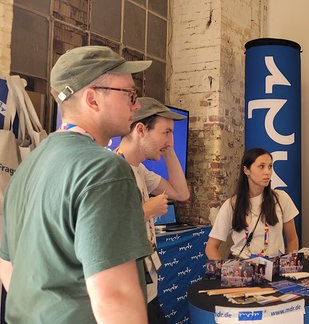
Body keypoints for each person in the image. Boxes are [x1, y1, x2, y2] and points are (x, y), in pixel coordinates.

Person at [0, 46, 152, 323]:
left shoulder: (24, 171)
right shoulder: (103, 169)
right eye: (130, 94)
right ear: (92, 99)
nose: (137, 105)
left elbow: (9, 270)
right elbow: (115, 299)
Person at [116, 97, 191, 323]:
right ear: (141, 130)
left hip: (147, 290)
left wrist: (166, 149)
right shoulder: (112, 170)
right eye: (165, 132)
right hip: (125, 296)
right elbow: (104, 230)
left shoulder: (140, 171)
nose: (170, 140)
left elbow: (181, 193)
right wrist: (145, 211)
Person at [205, 147, 299, 260]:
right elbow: (211, 247)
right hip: (243, 269)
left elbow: (292, 239)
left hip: (275, 268)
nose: (267, 172)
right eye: (261, 166)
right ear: (246, 170)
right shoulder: (232, 205)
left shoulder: (281, 198)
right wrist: (224, 272)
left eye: (270, 166)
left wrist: (289, 266)